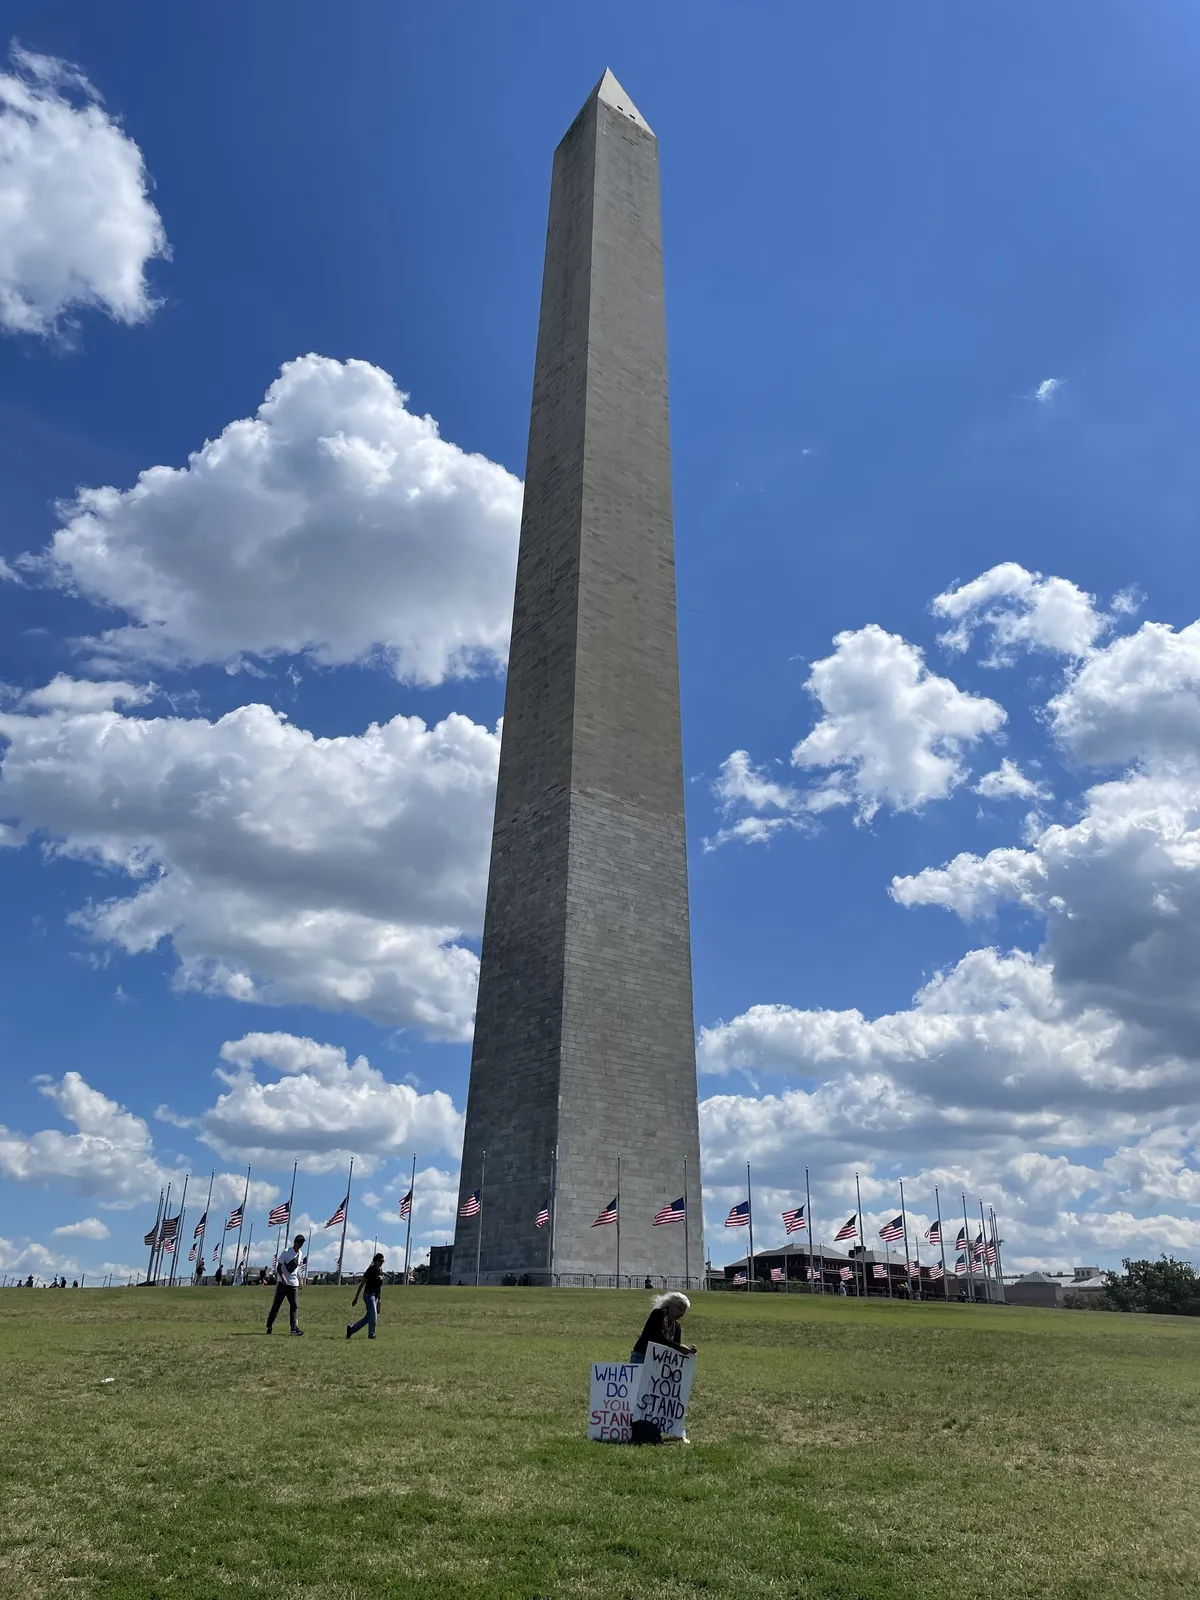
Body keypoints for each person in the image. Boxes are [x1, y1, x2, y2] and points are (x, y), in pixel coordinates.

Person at [631, 1291, 695, 1365]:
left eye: (684, 1312)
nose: (682, 1314)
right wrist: (678, 1347)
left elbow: (675, 1346)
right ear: (671, 1306)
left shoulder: (677, 1327)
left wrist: (688, 1351)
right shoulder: (657, 1314)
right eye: (680, 1310)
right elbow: (656, 1338)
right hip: (642, 1356)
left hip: (660, 1361)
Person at [267, 1234, 305, 1336]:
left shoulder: (300, 1254)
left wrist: (300, 1279)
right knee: (276, 1305)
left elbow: (296, 1269)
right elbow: (279, 1267)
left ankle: (293, 1328)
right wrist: (282, 1277)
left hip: (293, 1284)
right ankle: (269, 1326)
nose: (300, 1244)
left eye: (302, 1243)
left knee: (294, 1306)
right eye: (299, 1242)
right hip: (283, 1284)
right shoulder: (287, 1252)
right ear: (295, 1242)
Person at [347, 1252, 385, 1340]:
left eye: (383, 1261)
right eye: (380, 1261)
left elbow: (380, 1286)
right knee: (373, 1315)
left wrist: (379, 1298)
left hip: (375, 1296)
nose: (381, 1263)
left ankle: (351, 1330)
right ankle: (371, 1334)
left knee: (368, 1318)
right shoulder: (370, 1270)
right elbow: (362, 1284)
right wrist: (356, 1297)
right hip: (368, 1295)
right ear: (375, 1261)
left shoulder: (380, 1271)